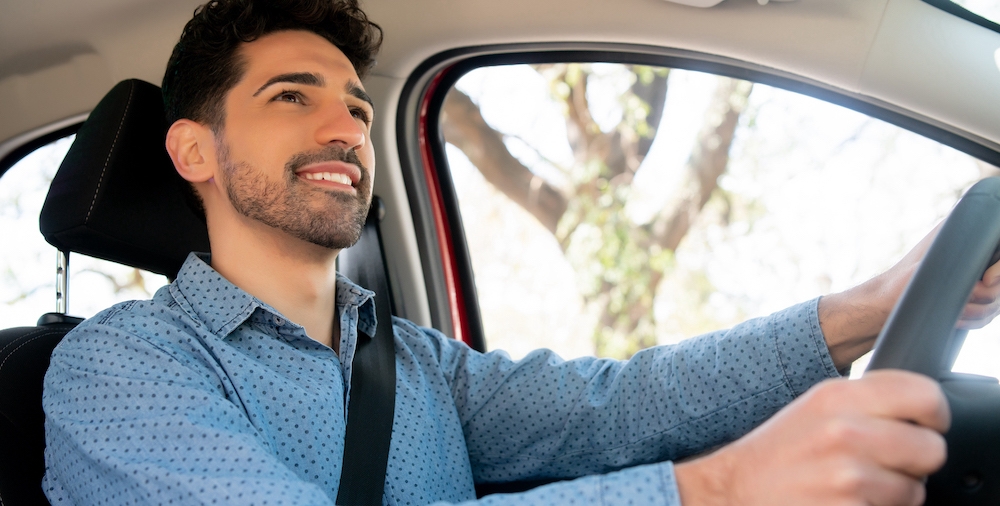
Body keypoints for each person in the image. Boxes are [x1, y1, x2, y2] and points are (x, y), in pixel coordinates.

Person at [40, 0, 1000, 504]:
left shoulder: (417, 365)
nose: (347, 125)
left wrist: (873, 304)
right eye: (293, 95)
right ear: (193, 151)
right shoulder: (120, 369)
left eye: (360, 105)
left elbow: (621, 407)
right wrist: (721, 487)